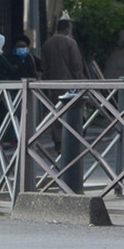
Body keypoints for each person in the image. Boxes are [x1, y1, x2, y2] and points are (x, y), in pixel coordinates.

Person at [41, 18, 87, 153]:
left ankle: (58, 142)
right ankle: (72, 141)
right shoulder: (70, 42)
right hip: (70, 83)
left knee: (56, 113)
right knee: (73, 112)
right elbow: (76, 65)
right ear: (67, 28)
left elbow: (44, 66)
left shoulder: (47, 44)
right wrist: (80, 81)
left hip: (53, 84)